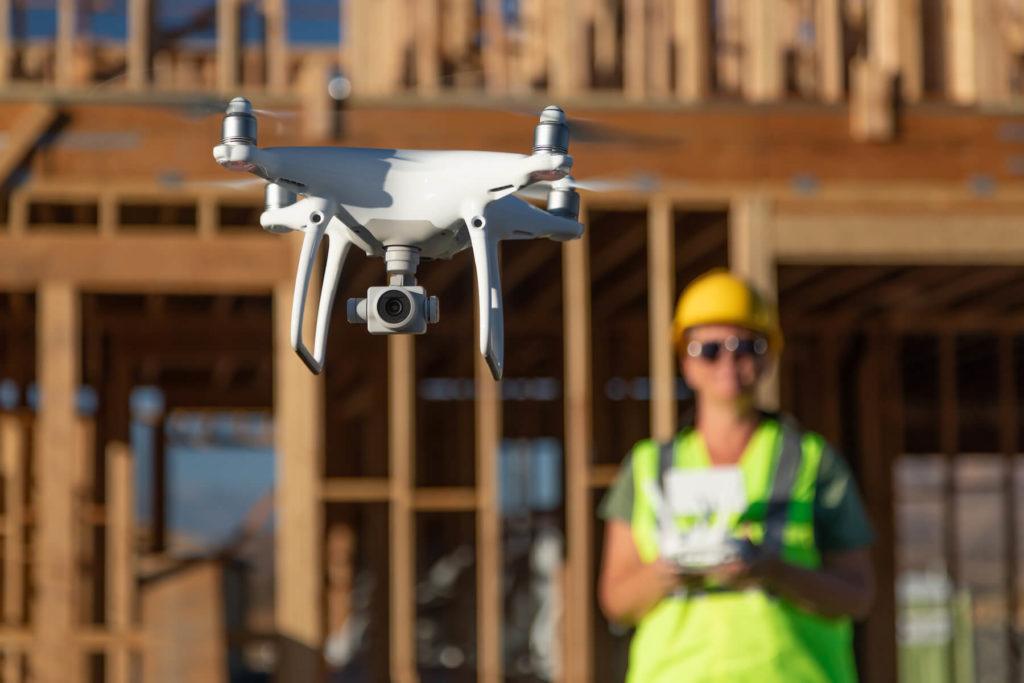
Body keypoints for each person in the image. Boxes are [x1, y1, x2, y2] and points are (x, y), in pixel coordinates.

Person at [597, 269, 875, 682]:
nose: (727, 360)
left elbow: (858, 594)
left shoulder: (813, 461)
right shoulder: (645, 467)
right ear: (684, 362)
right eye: (708, 349)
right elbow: (615, 600)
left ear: (768, 356)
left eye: (745, 345)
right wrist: (664, 572)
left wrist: (775, 571)